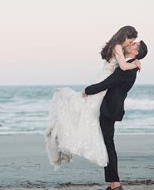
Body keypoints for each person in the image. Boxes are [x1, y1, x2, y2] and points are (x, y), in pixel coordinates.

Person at [45, 26, 141, 169]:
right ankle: (66, 134)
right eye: (130, 41)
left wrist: (133, 62)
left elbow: (119, 70)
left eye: (132, 42)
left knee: (89, 113)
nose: (129, 43)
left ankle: (80, 139)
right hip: (104, 81)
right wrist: (135, 63)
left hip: (105, 82)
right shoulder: (118, 47)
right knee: (86, 109)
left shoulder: (117, 47)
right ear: (124, 36)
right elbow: (122, 66)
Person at [84, 40, 148, 190]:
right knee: (108, 144)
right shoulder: (129, 65)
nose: (130, 44)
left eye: (133, 45)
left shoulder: (127, 69)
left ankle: (115, 184)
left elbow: (107, 83)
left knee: (108, 145)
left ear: (135, 53)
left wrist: (88, 90)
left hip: (109, 110)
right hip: (111, 109)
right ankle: (114, 184)